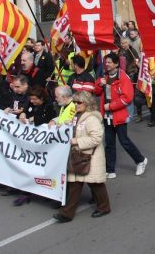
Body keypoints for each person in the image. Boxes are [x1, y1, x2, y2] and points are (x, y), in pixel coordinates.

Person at [53, 91, 111, 223]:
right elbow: (74, 128)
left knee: (95, 184)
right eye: (74, 102)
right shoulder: (77, 116)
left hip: (91, 156)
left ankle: (104, 207)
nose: (76, 104)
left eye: (79, 102)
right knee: (75, 184)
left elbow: (96, 138)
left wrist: (77, 141)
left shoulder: (91, 119)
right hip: (80, 156)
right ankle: (67, 213)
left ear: (87, 103)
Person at [94, 52, 148, 178]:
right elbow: (96, 92)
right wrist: (99, 84)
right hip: (106, 116)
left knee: (124, 141)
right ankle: (110, 170)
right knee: (109, 143)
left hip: (119, 115)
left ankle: (140, 160)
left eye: (109, 62)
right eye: (106, 62)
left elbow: (127, 98)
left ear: (116, 64)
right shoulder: (104, 76)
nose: (106, 64)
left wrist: (111, 106)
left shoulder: (123, 78)